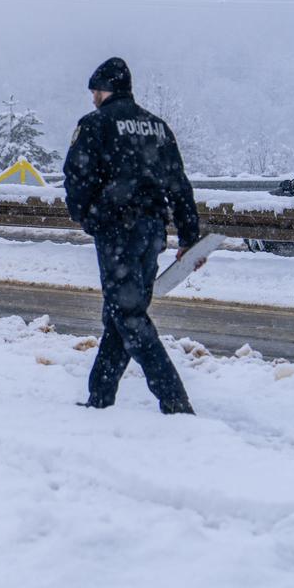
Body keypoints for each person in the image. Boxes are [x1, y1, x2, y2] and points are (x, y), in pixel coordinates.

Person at [62, 57, 199, 415]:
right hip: (153, 231)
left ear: (104, 89)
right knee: (120, 312)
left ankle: (174, 401)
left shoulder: (96, 124)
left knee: (128, 315)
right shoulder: (156, 127)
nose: (92, 97)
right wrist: (189, 235)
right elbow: (178, 183)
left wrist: (86, 217)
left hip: (116, 230)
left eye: (94, 90)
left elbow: (77, 177)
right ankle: (100, 397)